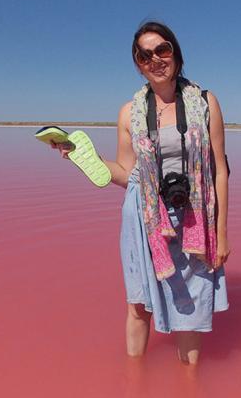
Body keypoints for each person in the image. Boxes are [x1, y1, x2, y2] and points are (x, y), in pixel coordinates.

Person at [52, 21, 230, 365]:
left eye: (162, 50)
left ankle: (188, 387)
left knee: (190, 308)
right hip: (143, 219)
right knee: (137, 304)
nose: (155, 60)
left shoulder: (205, 102)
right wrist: (78, 154)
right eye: (144, 55)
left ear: (176, 53)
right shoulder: (129, 112)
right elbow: (124, 173)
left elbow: (219, 170)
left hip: (195, 215)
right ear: (138, 64)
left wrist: (221, 234)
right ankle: (133, 390)